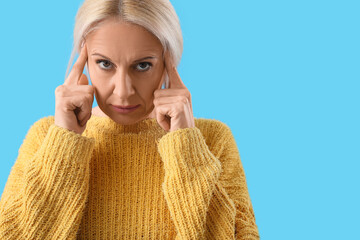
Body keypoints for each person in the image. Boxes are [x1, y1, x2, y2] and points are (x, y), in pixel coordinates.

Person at [0, 0, 260, 239]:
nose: (123, 91)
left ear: (169, 60)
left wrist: (187, 149)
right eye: (104, 64)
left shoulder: (212, 140)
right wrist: (63, 146)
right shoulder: (46, 137)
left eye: (143, 65)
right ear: (84, 59)